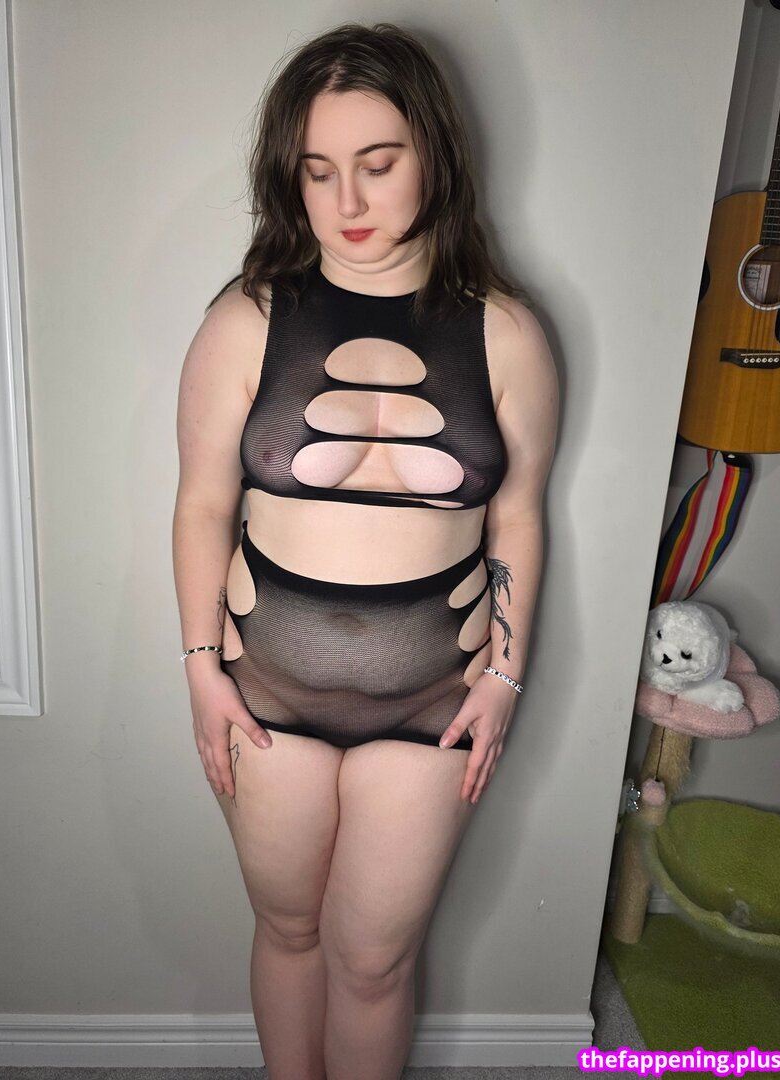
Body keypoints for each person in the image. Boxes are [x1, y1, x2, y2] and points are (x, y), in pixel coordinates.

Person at [172, 20, 558, 1080]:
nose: (347, 201)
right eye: (318, 170)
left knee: (376, 961)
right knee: (289, 931)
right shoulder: (247, 320)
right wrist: (201, 672)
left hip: (436, 698)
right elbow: (202, 504)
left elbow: (520, 516)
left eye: (378, 164)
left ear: (434, 154)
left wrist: (507, 677)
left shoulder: (508, 335)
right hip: (264, 692)